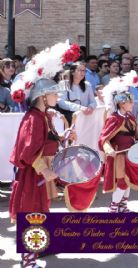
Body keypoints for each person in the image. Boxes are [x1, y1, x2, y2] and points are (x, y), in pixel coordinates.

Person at [9, 42, 80, 268]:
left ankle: (39, 249)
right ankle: (28, 259)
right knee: (32, 213)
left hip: (40, 172)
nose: (57, 98)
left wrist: (65, 135)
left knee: (42, 210)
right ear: (42, 96)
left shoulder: (44, 116)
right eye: (53, 95)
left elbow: (48, 141)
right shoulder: (33, 119)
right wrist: (45, 169)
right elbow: (27, 152)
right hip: (33, 174)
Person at [100, 72, 138, 213]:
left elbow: (134, 135)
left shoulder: (130, 116)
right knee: (122, 181)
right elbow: (104, 138)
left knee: (128, 181)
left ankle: (123, 206)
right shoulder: (113, 119)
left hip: (131, 152)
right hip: (119, 154)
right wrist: (109, 150)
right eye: (130, 101)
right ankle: (113, 208)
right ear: (121, 103)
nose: (133, 104)